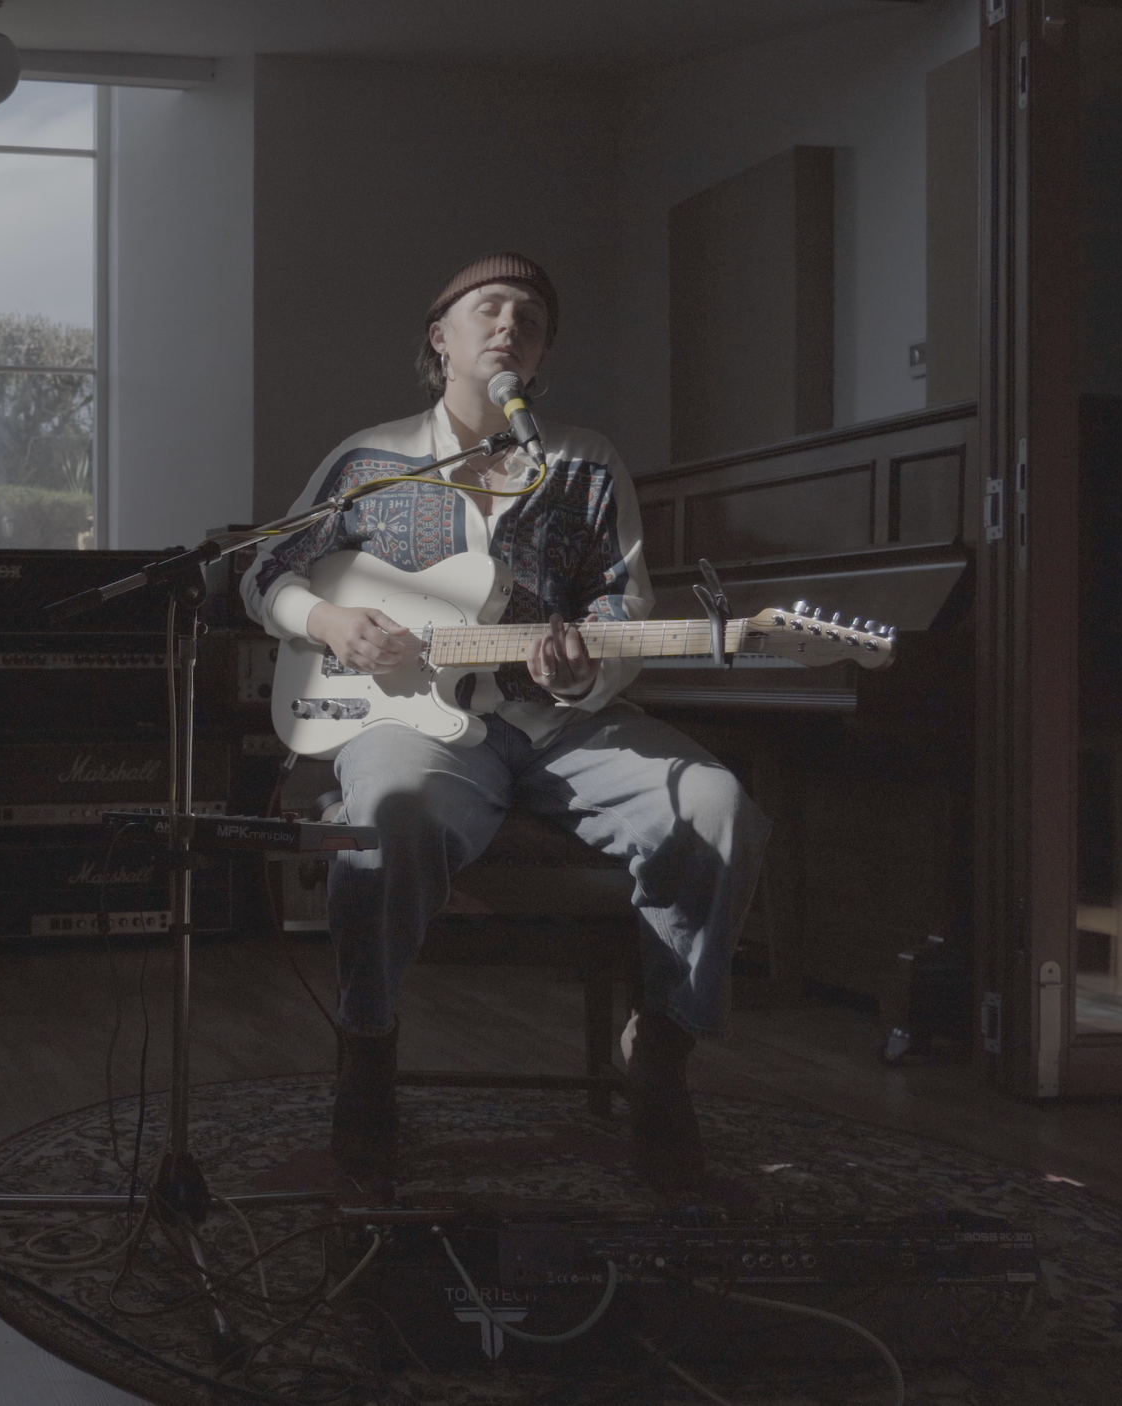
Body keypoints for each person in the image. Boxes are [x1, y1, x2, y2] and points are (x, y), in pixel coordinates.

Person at [241, 252, 767, 1199]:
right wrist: (326, 622)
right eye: (489, 309)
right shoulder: (367, 460)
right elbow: (262, 570)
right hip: (410, 724)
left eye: (530, 317)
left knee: (718, 807)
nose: (510, 326)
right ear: (439, 338)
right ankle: (367, 1055)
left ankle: (661, 1053)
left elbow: (622, 603)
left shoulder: (586, 463)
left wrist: (584, 659)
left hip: (561, 724)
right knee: (392, 818)